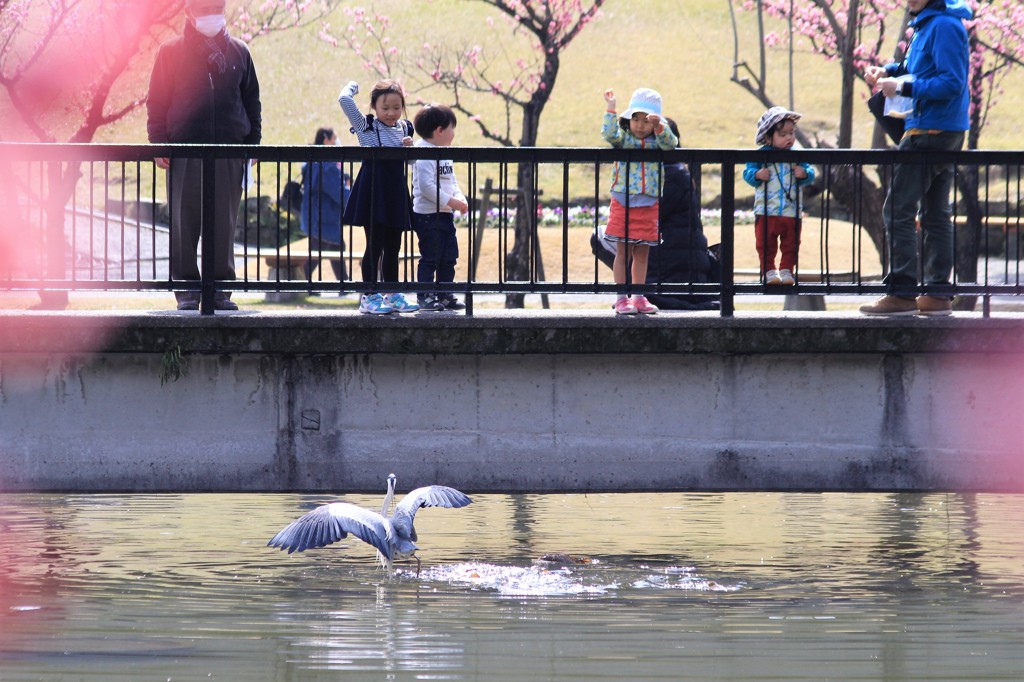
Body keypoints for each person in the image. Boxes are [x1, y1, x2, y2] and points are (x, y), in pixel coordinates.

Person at [859, 0, 972, 317]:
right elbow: (922, 70)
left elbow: (951, 81)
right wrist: (890, 72)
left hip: (930, 130)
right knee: (936, 213)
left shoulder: (944, 26)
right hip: (936, 128)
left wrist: (903, 87)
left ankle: (903, 292)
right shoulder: (929, 23)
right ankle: (937, 294)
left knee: (897, 209)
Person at [147, 0, 262, 311]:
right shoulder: (170, 52)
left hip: (229, 152)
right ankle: (186, 288)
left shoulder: (239, 51)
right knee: (183, 221)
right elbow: (156, 101)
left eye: (216, 6)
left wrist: (253, 145)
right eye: (204, 7)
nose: (212, 13)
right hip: (185, 151)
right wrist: (159, 142)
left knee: (224, 222)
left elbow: (252, 101)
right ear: (189, 12)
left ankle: (220, 289)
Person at [591, 117, 720, 311]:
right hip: (683, 270)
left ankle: (633, 291)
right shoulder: (679, 172)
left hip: (669, 274)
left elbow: (643, 218)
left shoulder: (668, 175)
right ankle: (633, 291)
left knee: (607, 238)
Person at [338, 79, 419, 314]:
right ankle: (369, 296)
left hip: (395, 191)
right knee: (375, 244)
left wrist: (409, 149)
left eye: (396, 107)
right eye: (385, 108)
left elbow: (411, 162)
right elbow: (344, 100)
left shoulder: (405, 128)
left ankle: (392, 294)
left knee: (394, 246)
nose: (391, 113)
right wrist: (353, 85)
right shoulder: (367, 127)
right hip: (373, 191)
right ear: (374, 106)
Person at [601, 87, 679, 315]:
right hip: (623, 201)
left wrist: (660, 128)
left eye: (646, 121)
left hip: (648, 202)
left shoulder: (658, 141)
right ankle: (621, 298)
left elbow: (671, 144)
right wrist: (611, 109)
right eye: (636, 119)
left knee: (643, 254)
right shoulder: (624, 139)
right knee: (622, 252)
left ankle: (638, 296)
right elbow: (609, 134)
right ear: (629, 119)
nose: (640, 125)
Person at [742, 106, 815, 286]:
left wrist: (804, 174)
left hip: (792, 210)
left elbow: (811, 172)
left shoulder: (797, 155)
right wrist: (757, 175)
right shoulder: (760, 155)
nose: (789, 138)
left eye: (791, 133)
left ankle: (787, 270)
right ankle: (768, 271)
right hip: (766, 210)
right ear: (768, 137)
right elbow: (747, 173)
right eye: (783, 135)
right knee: (765, 243)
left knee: (791, 244)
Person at [411, 105, 469, 311]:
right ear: (440, 130)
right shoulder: (424, 152)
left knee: (449, 256)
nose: (454, 134)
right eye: (452, 128)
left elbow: (451, 181)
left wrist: (460, 198)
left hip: (444, 214)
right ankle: (425, 296)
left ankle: (444, 293)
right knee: (431, 257)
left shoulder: (444, 153)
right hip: (428, 215)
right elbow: (427, 187)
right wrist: (452, 202)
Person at [300, 127, 350, 284]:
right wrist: (354, 200)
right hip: (324, 216)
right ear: (326, 140)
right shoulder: (326, 164)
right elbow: (337, 190)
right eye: (334, 138)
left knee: (336, 247)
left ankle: (344, 283)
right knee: (320, 250)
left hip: (317, 214)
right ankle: (300, 282)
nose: (337, 142)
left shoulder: (314, 159)